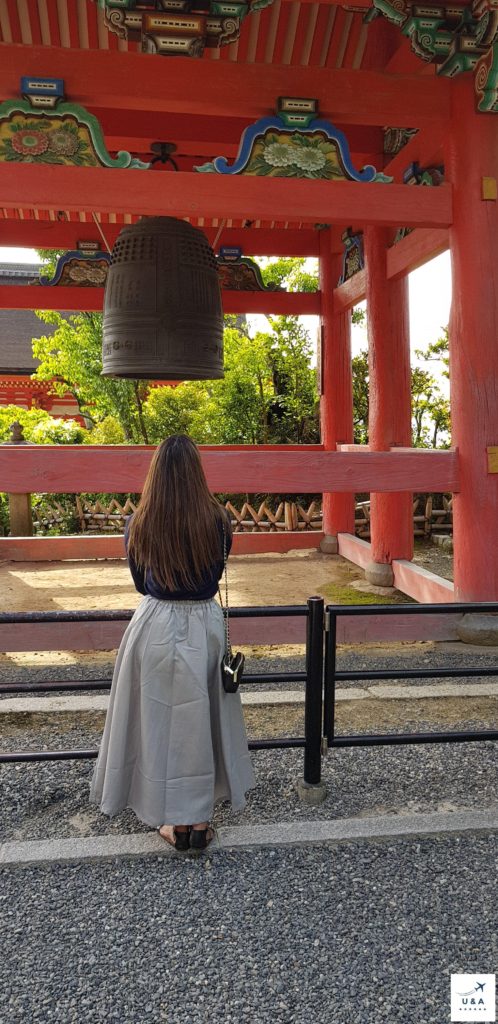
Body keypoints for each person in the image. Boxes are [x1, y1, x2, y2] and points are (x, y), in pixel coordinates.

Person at [90, 434, 255, 853]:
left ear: (155, 474)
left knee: (158, 723)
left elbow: (139, 582)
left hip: (156, 623)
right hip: (204, 622)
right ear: (198, 473)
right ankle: (199, 820)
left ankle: (171, 820)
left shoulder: (138, 524)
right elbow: (217, 571)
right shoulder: (219, 521)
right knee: (201, 721)